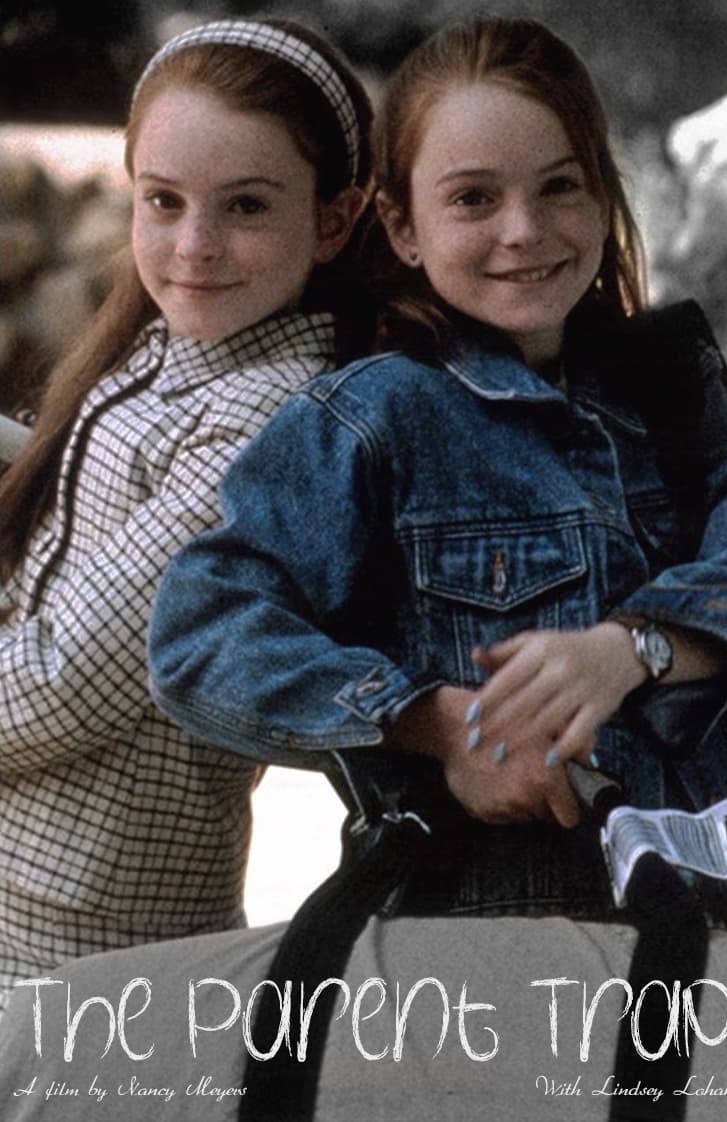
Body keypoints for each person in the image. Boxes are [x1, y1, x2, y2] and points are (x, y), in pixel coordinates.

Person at [148, 14, 727, 921]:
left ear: (603, 195)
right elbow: (202, 633)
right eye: (473, 198)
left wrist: (637, 647)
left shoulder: (673, 390)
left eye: (560, 187)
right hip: (490, 944)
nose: (524, 230)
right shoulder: (374, 418)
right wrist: (439, 725)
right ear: (402, 226)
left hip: (717, 931)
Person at [0, 17, 371, 1012]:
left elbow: (65, 684)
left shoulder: (269, 418)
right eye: (163, 201)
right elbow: (72, 526)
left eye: (245, 206)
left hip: (86, 935)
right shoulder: (178, 351)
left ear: (333, 221)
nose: (194, 246)